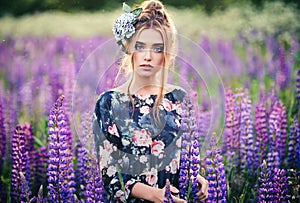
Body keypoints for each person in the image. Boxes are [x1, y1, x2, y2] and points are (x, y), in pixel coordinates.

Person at [93, 0, 208, 202]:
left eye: (157, 49)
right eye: (140, 46)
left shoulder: (179, 99)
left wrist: (194, 177)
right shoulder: (109, 102)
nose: (147, 56)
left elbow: (178, 159)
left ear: (167, 54)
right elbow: (110, 174)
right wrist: (154, 195)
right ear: (128, 46)